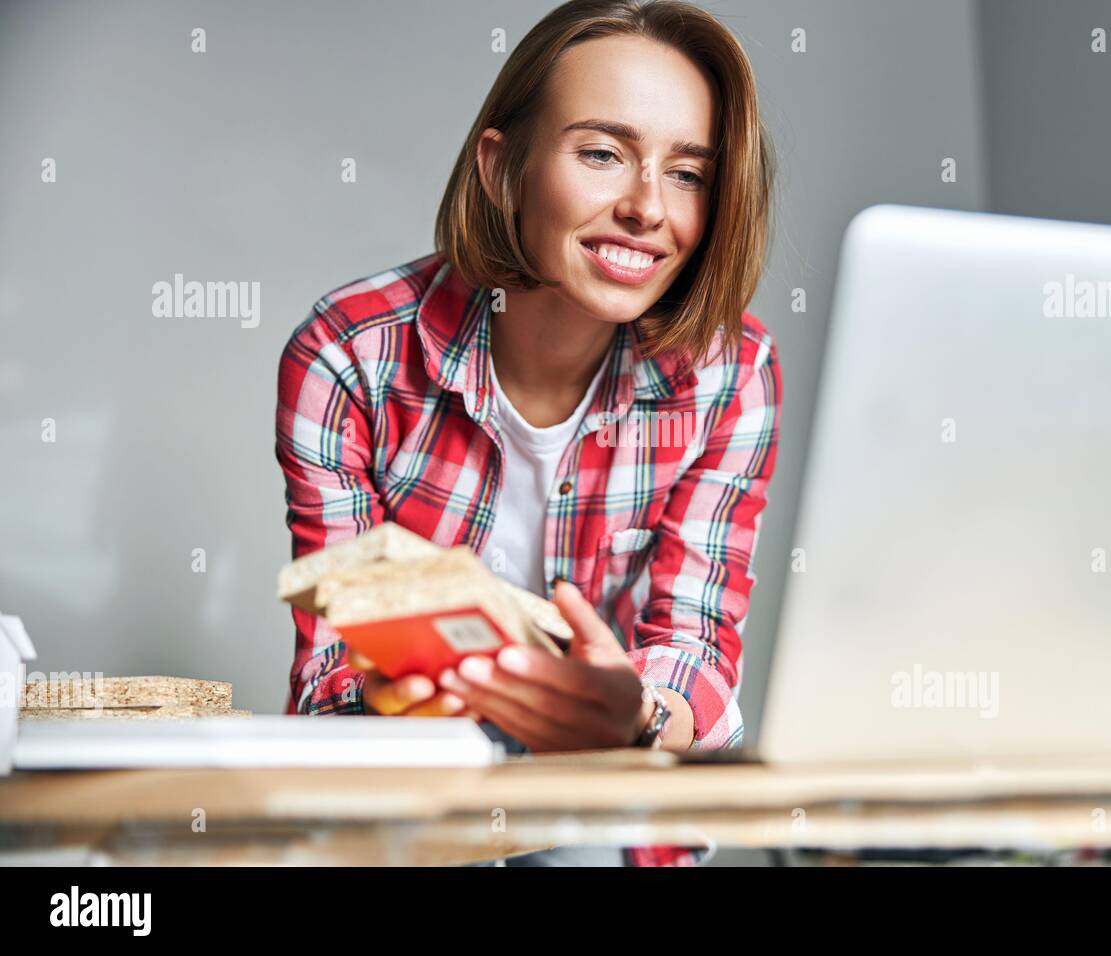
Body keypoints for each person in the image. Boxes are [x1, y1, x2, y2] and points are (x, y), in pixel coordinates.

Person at [275, 0, 780, 867]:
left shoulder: (730, 371)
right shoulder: (351, 353)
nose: (648, 208)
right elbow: (332, 670)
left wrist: (636, 716)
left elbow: (696, 641)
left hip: (615, 801)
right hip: (411, 799)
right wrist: (454, 697)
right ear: (502, 169)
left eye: (689, 173)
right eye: (602, 154)